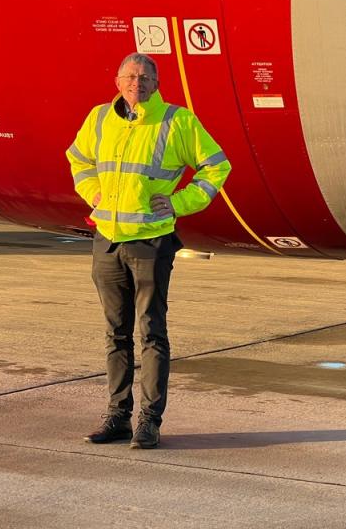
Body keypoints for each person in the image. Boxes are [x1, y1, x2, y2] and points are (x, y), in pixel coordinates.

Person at [66, 53, 231, 449]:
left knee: (151, 333)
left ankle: (148, 421)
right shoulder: (100, 118)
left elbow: (217, 166)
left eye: (144, 77)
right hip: (107, 239)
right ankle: (118, 416)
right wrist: (93, 193)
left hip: (150, 242)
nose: (136, 82)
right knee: (114, 334)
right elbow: (78, 159)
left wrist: (178, 203)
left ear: (156, 84)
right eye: (129, 76)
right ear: (117, 80)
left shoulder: (178, 121)